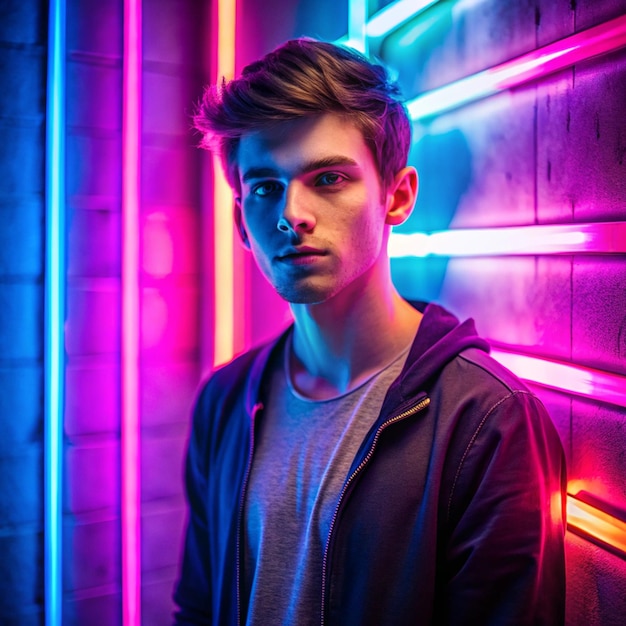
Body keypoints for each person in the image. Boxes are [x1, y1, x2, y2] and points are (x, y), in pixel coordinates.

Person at [173, 38, 566, 625]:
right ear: (240, 223)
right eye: (264, 187)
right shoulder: (226, 400)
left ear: (398, 196)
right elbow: (199, 609)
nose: (291, 214)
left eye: (328, 179)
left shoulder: (488, 419)